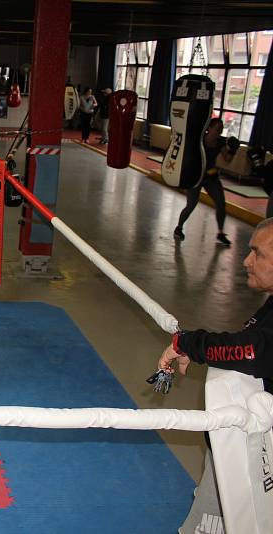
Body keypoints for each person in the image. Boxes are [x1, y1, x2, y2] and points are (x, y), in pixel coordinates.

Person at [157, 217, 273, 533]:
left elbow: (252, 352)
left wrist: (190, 343)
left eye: (258, 254)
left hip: (256, 453)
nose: (247, 261)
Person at [174, 118, 235, 246]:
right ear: (209, 128)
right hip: (196, 176)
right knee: (191, 205)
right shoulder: (199, 140)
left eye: (221, 128)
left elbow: (227, 158)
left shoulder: (220, 143)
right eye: (217, 128)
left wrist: (233, 150)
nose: (220, 131)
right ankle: (179, 228)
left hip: (210, 177)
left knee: (221, 204)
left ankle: (221, 233)